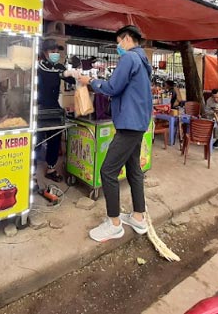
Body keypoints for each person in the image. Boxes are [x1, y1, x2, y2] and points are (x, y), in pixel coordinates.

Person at [79, 25, 152, 242]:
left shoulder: (130, 58)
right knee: (134, 171)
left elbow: (112, 87)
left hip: (129, 125)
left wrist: (90, 81)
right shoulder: (143, 61)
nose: (118, 46)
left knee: (107, 172)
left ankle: (114, 223)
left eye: (119, 42)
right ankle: (138, 217)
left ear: (128, 39)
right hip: (138, 123)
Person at [37, 39, 78, 182]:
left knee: (54, 140)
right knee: (37, 141)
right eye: (52, 51)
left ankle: (51, 168)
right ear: (44, 52)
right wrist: (62, 73)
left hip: (54, 107)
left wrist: (75, 76)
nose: (55, 54)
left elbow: (72, 80)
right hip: (40, 108)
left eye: (56, 51)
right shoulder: (39, 68)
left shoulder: (59, 66)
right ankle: (31, 174)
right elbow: (50, 77)